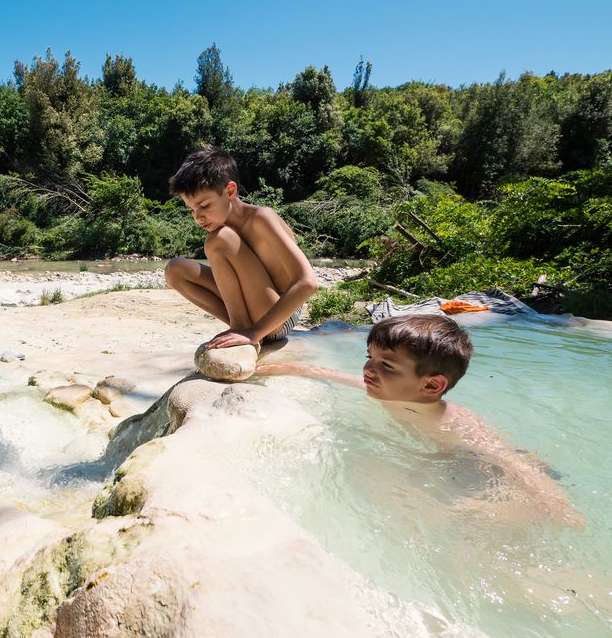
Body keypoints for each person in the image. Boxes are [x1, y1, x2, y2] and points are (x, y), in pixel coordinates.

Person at [256, 314, 584, 526]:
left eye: (387, 365)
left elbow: (507, 460)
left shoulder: (455, 425)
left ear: (430, 386)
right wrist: (294, 368)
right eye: (369, 357)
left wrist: (557, 505)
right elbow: (336, 375)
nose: (369, 370)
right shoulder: (394, 391)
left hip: (496, 467)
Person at [164, 147, 318, 349]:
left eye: (204, 205)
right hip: (255, 311)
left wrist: (254, 333)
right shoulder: (222, 229)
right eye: (191, 209)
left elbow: (308, 282)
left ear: (230, 191)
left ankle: (242, 327)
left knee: (219, 239)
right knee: (175, 270)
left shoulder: (261, 218)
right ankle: (239, 325)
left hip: (281, 316)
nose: (198, 217)